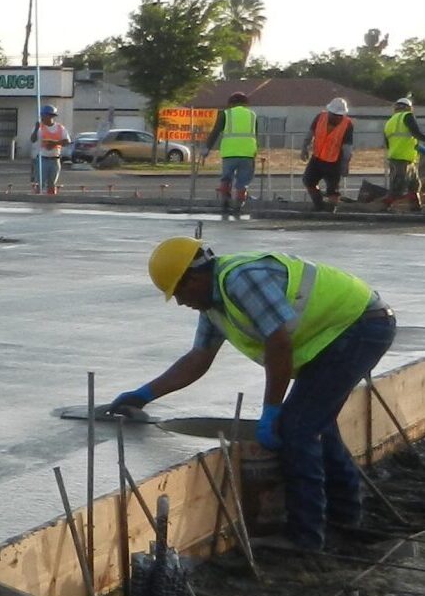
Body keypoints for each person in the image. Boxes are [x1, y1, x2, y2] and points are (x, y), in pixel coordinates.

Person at [110, 238, 395, 552]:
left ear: (194, 278)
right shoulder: (214, 306)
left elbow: (279, 342)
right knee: (317, 424)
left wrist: (271, 410)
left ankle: (305, 538)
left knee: (297, 429)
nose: (180, 302)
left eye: (178, 292)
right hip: (341, 333)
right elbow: (198, 359)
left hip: (361, 327)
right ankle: (344, 517)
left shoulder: (241, 280)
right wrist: (143, 395)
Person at [204, 90, 257, 219]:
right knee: (242, 182)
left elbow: (216, 132)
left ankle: (225, 204)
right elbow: (255, 135)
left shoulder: (225, 114)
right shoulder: (252, 115)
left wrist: (206, 149)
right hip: (248, 153)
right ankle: (238, 207)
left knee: (226, 179)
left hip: (229, 153)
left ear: (230, 103)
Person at [300, 97, 353, 211]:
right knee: (308, 181)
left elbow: (347, 147)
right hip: (317, 158)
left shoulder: (347, 124)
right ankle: (318, 205)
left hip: (334, 161)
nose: (337, 117)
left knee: (333, 190)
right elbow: (310, 133)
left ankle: (331, 210)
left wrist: (345, 164)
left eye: (340, 115)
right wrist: (304, 148)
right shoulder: (320, 117)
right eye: (335, 115)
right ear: (329, 112)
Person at [383, 95, 423, 211]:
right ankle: (385, 207)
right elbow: (416, 133)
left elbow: (388, 143)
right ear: (409, 108)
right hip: (403, 159)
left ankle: (416, 206)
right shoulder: (408, 116)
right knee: (399, 187)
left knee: (414, 184)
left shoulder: (389, 122)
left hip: (397, 158)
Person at [28, 104, 69, 195]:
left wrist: (54, 143)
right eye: (42, 115)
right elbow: (33, 140)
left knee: (52, 184)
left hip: (55, 159)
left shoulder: (60, 128)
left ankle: (51, 201)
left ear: (51, 116)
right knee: (40, 183)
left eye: (44, 115)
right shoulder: (39, 127)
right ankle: (37, 200)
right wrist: (36, 129)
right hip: (42, 159)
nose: (42, 117)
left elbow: (67, 142)